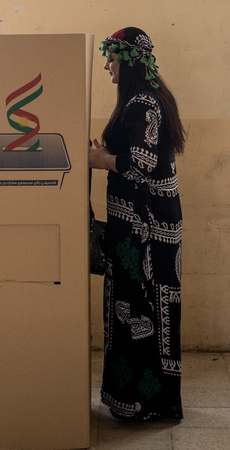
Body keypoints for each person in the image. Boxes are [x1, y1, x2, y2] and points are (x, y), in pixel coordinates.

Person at [89, 27, 185, 421]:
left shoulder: (143, 104)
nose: (108, 66)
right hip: (142, 227)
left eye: (111, 58)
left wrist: (101, 160)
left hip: (145, 232)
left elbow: (140, 165)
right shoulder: (144, 99)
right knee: (139, 308)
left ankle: (142, 402)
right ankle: (141, 400)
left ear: (126, 61)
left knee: (139, 308)